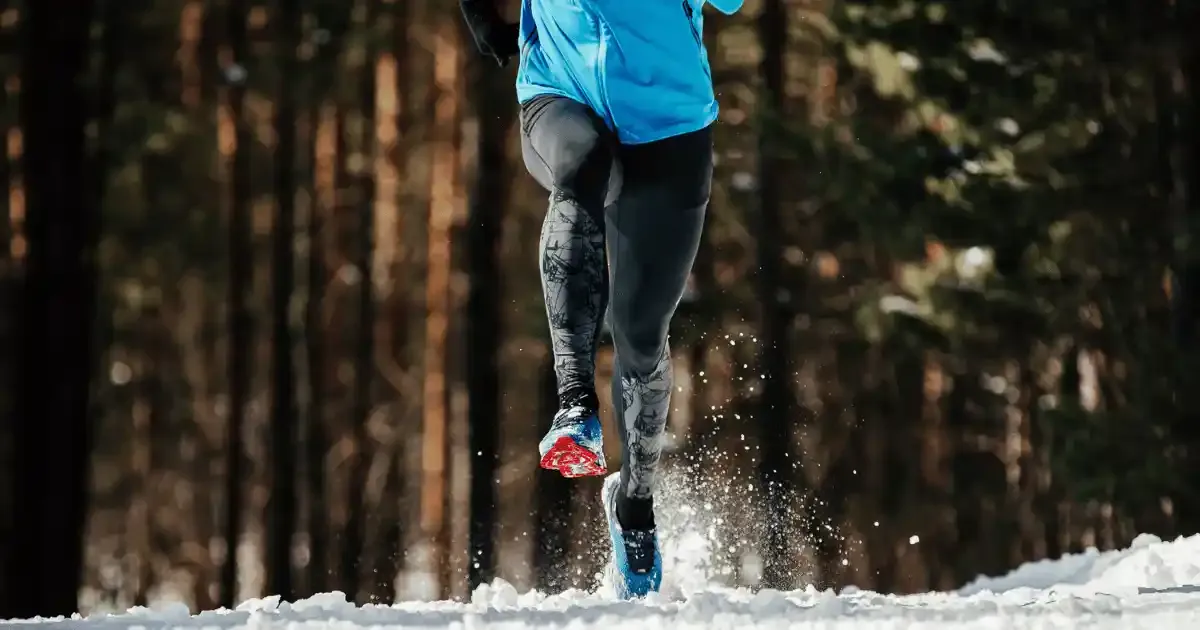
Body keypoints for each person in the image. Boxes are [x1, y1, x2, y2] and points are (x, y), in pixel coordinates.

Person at [460, 0, 743, 599]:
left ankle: (634, 504)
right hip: (559, 92)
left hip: (670, 120)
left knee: (641, 337)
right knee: (583, 165)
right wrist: (484, 22)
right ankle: (574, 407)